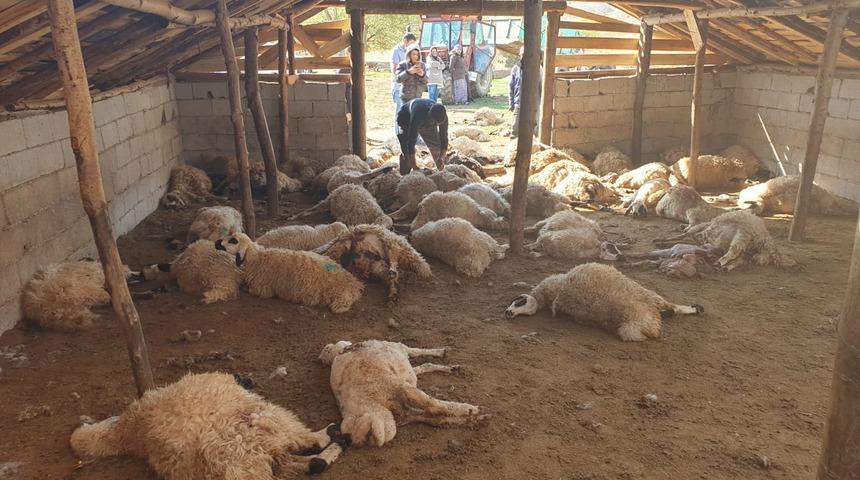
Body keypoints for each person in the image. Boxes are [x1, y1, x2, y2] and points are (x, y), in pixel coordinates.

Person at [397, 98, 449, 175]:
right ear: (429, 115)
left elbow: (444, 138)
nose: (435, 125)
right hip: (406, 117)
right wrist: (415, 167)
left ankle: (441, 173)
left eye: (437, 124)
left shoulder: (443, 117)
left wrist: (441, 157)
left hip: (426, 119)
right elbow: (411, 142)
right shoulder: (418, 114)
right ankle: (405, 175)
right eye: (434, 122)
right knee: (407, 156)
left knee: (437, 148)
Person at [508, 46, 542, 138]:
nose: (523, 57)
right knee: (515, 129)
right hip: (518, 103)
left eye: (525, 55)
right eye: (522, 55)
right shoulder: (516, 69)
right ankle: (514, 147)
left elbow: (541, 86)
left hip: (533, 104)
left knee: (533, 128)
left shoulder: (538, 69)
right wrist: (511, 104)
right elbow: (511, 87)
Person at [390, 33, 417, 133]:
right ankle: (398, 136)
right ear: (405, 41)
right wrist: (408, 73)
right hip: (398, 87)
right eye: (410, 43)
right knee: (400, 111)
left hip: (411, 88)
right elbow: (395, 70)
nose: (412, 46)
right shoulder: (396, 51)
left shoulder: (412, 52)